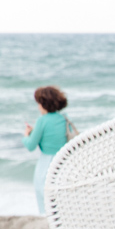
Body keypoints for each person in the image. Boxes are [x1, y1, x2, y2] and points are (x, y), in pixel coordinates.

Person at [22, 86, 73, 215]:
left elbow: (31, 145)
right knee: (60, 201)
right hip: (63, 162)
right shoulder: (64, 118)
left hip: (46, 164)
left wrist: (26, 135)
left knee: (44, 201)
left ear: (43, 104)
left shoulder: (42, 121)